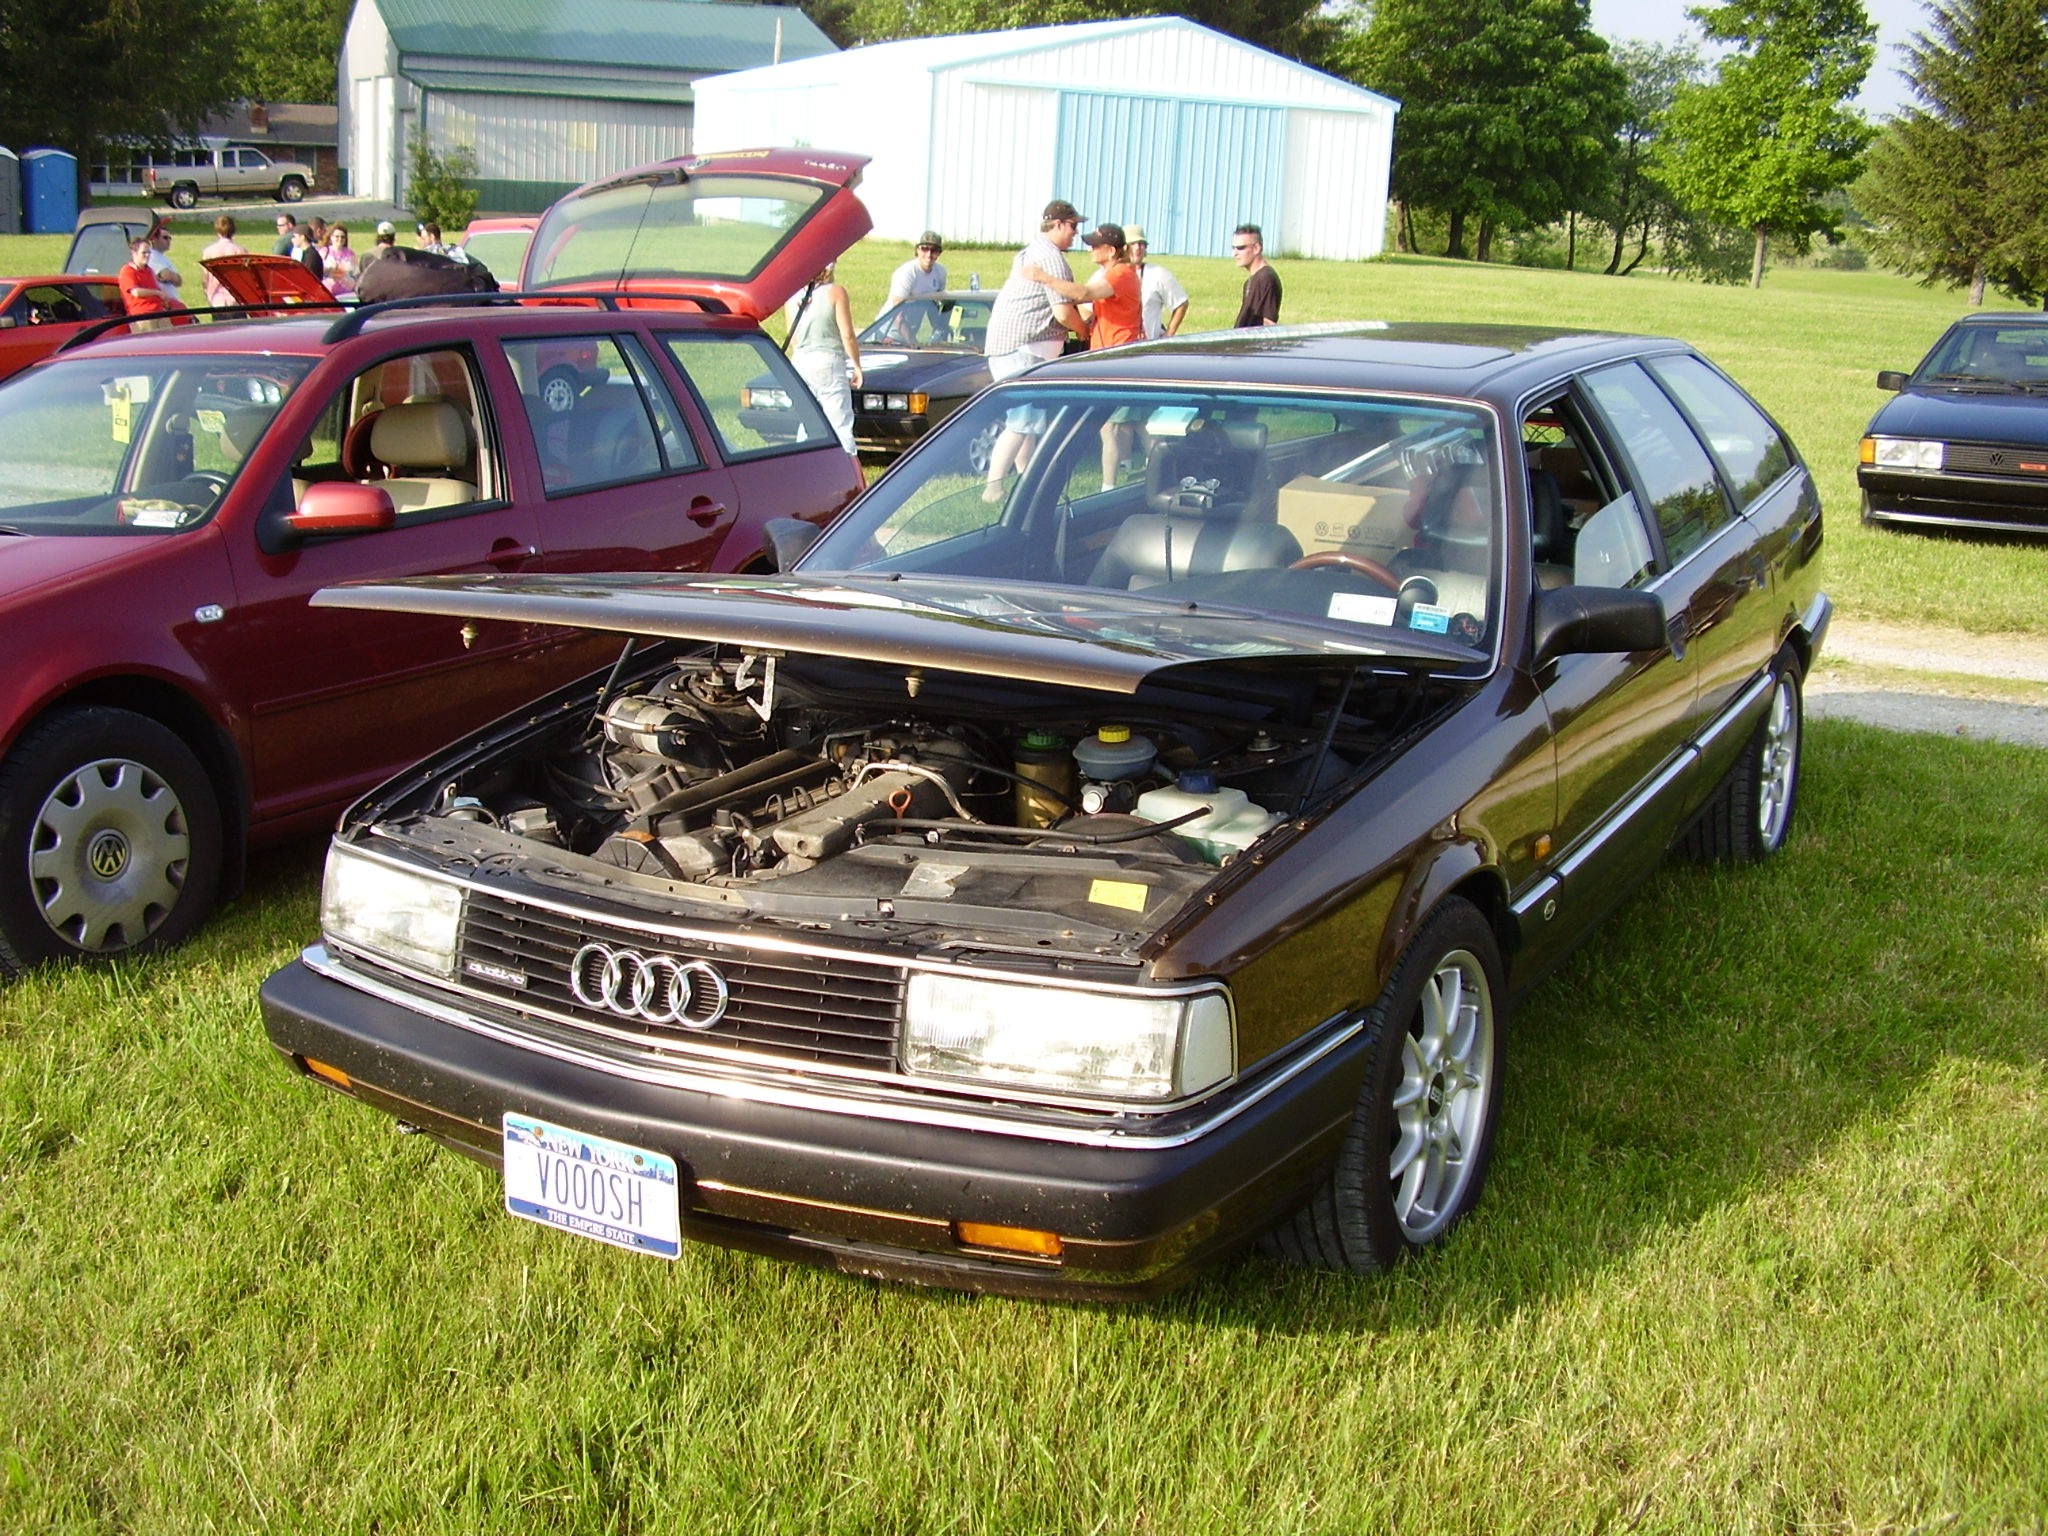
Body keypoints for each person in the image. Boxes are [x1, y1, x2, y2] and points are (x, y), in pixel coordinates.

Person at [980, 200, 1087, 500]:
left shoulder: (1031, 251)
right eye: (1073, 226)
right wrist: (1083, 329)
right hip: (1024, 347)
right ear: (1058, 224)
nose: (1075, 233)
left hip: (1010, 346)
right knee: (1020, 422)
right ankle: (993, 487)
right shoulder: (1051, 258)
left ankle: (1026, 483)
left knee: (1026, 423)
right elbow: (1063, 313)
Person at [1028, 223, 1145, 486]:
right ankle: (1119, 481)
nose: (1090, 249)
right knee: (1114, 426)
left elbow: (1083, 294)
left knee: (1112, 427)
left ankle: (1109, 486)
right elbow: (1088, 305)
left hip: (1118, 359)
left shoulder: (1120, 274)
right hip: (1108, 358)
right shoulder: (1111, 274)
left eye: (1095, 245)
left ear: (1112, 250)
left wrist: (1044, 278)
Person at [785, 262, 863, 455]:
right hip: (828, 360)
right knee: (840, 422)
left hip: (800, 361)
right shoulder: (836, 292)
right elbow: (847, 335)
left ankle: (803, 463)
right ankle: (847, 465)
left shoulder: (792, 297)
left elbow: (793, 338)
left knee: (808, 422)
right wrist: (857, 365)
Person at [1126, 225, 1189, 339]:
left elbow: (1181, 303)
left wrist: (1169, 333)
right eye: (1132, 243)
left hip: (1148, 344)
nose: (1138, 248)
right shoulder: (1107, 275)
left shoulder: (1158, 274)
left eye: (1141, 244)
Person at [881, 231, 948, 335]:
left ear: (939, 253)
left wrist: (940, 332)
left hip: (911, 330)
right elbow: (897, 313)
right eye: (925, 249)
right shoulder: (906, 273)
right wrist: (911, 341)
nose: (929, 254)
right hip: (888, 332)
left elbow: (936, 307)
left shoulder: (941, 272)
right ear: (917, 250)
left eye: (934, 250)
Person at [118, 236, 174, 328]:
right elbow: (136, 292)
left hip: (159, 313)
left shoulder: (149, 271)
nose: (147, 255)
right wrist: (157, 293)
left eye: (149, 252)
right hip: (142, 317)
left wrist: (164, 299)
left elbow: (157, 289)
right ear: (134, 253)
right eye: (144, 253)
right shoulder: (127, 271)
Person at [1232, 223, 1281, 327]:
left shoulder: (1266, 278)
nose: (1235, 253)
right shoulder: (1251, 281)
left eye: (1241, 248)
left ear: (1256, 248)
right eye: (1234, 248)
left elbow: (1269, 323)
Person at [200, 215, 247, 308]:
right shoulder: (241, 251)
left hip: (216, 297)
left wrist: (207, 294)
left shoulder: (209, 251)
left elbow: (206, 278)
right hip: (236, 298)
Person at [146, 226, 185, 311]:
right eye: (165, 238)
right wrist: (174, 277)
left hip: (172, 303)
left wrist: (174, 278)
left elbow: (179, 282)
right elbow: (166, 275)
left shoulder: (164, 258)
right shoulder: (151, 256)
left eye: (170, 238)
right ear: (154, 239)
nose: (168, 241)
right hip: (163, 304)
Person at [323, 225, 360, 299]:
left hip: (347, 293)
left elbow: (356, 273)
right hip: (328, 292)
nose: (340, 239)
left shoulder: (350, 253)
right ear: (331, 237)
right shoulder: (324, 252)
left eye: (342, 237)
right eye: (337, 236)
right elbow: (318, 271)